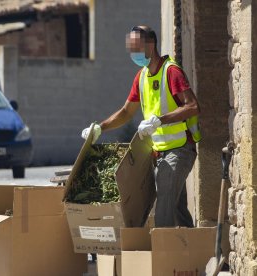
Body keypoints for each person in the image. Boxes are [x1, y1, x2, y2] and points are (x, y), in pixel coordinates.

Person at [81, 26, 201, 227]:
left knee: (164, 202)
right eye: (131, 48)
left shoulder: (171, 72)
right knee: (176, 208)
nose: (133, 53)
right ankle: (189, 252)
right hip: (159, 152)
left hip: (180, 149)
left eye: (136, 47)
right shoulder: (142, 76)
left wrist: (159, 120)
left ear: (151, 45)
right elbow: (126, 112)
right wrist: (100, 128)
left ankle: (162, 254)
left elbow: (193, 106)